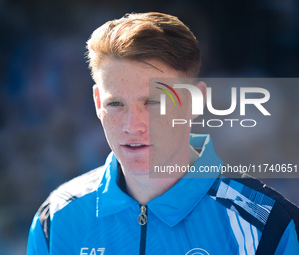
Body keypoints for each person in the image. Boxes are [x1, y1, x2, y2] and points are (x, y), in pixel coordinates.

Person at [27, 12, 299, 255]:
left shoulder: (270, 226)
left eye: (153, 103)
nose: (133, 125)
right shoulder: (56, 219)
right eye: (116, 104)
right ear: (98, 103)